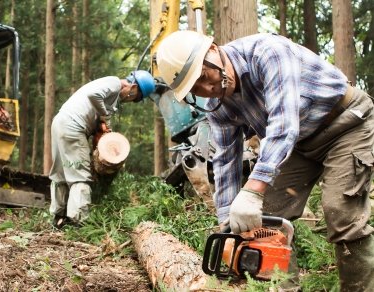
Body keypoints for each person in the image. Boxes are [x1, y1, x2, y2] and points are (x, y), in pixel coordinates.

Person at [156, 30, 374, 291]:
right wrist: (229, 223)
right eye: (195, 89)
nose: (208, 90)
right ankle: (285, 288)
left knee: (340, 212)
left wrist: (253, 190)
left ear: (213, 50)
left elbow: (284, 125)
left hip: (345, 125)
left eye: (204, 77)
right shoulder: (217, 106)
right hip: (298, 145)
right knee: (265, 220)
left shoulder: (267, 52)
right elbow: (226, 161)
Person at [49, 70, 156, 229]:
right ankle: (78, 221)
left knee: (60, 173)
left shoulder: (110, 96)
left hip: (60, 122)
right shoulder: (114, 83)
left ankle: (58, 217)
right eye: (134, 98)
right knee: (80, 176)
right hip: (73, 127)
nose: (130, 100)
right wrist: (104, 114)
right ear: (133, 87)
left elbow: (99, 119)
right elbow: (93, 96)